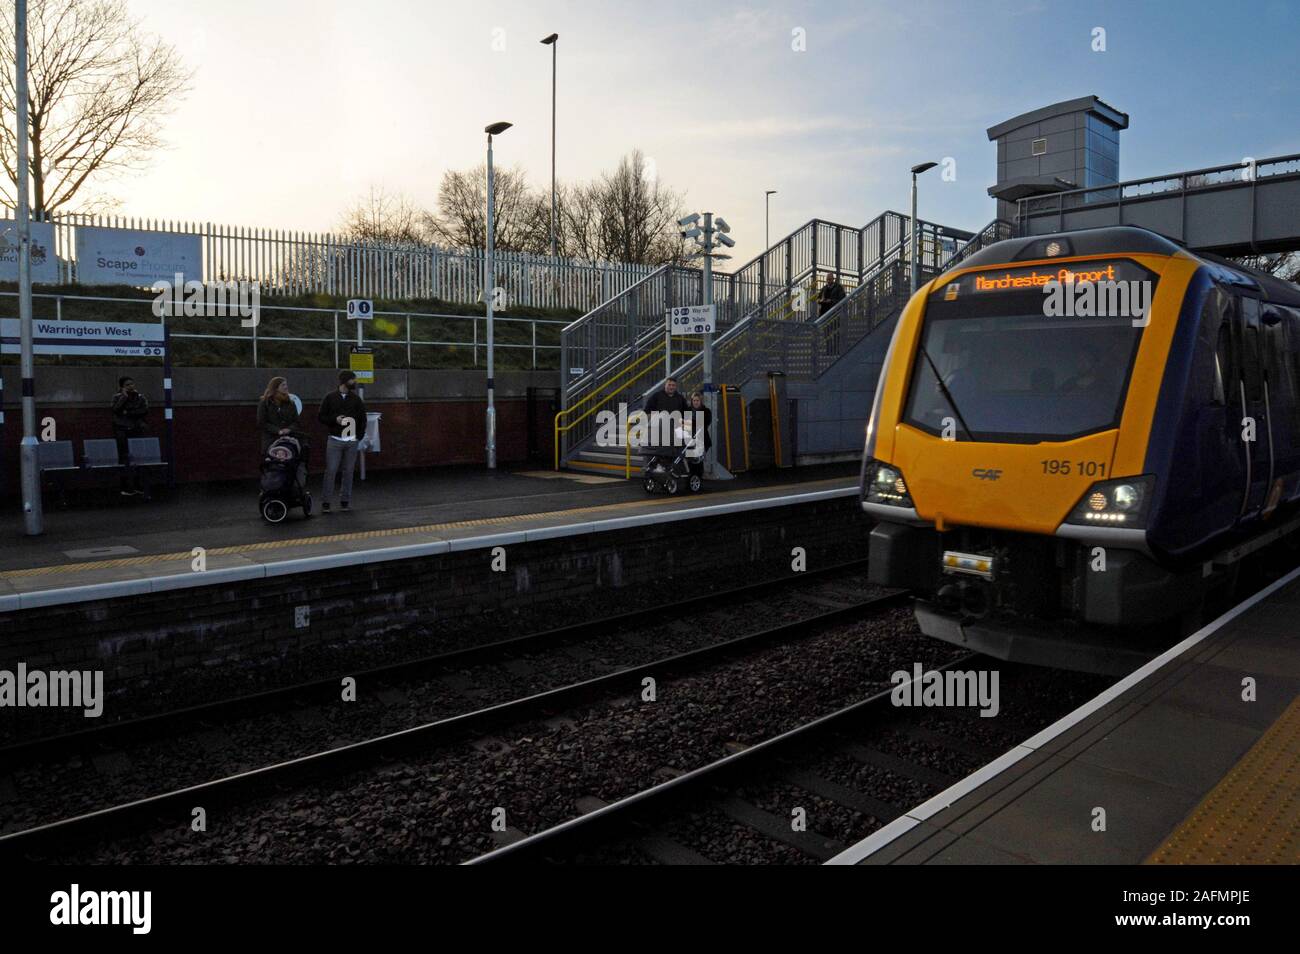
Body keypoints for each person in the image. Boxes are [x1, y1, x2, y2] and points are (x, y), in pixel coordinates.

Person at [318, 370, 367, 513]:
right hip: (335, 439)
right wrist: (335, 419)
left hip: (351, 440)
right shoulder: (330, 397)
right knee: (331, 471)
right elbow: (321, 416)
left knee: (349, 471)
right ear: (345, 381)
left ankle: (345, 500)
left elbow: (362, 419)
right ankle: (326, 501)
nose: (355, 382)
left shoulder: (356, 400)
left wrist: (358, 436)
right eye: (353, 380)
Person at [258, 375, 308, 489]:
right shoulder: (265, 403)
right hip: (271, 439)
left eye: (286, 385)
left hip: (289, 439)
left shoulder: (290, 403)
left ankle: (292, 486)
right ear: (275, 388)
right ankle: (271, 485)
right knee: (273, 463)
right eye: (283, 385)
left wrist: (289, 429)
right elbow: (262, 422)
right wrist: (277, 431)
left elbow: (297, 421)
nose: (286, 387)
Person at [111, 376, 149, 496]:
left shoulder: (140, 397)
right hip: (122, 430)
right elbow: (116, 410)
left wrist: (128, 412)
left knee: (138, 457)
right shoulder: (117, 397)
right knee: (123, 457)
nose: (131, 386)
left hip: (136, 429)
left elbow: (144, 411)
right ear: (122, 387)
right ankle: (125, 486)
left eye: (132, 384)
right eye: (127, 385)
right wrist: (124, 398)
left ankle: (138, 485)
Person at [644, 376, 689, 449]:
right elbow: (647, 412)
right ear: (665, 385)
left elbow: (686, 414)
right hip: (659, 430)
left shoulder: (680, 398)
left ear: (676, 387)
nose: (671, 387)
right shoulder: (656, 396)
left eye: (673, 385)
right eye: (669, 385)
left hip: (675, 430)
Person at [687, 390, 713, 478]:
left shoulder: (706, 411)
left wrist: (689, 423)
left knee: (698, 460)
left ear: (701, 401)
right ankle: (692, 477)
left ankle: (698, 477)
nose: (695, 402)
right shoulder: (688, 410)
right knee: (690, 460)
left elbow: (704, 424)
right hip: (690, 440)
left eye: (697, 400)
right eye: (694, 400)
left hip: (702, 439)